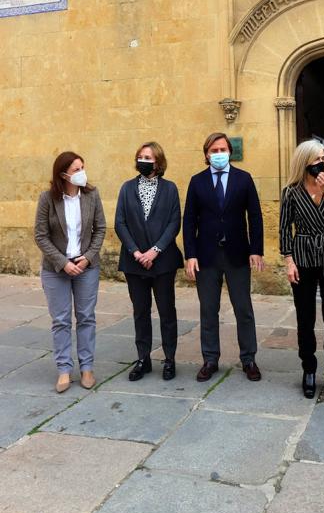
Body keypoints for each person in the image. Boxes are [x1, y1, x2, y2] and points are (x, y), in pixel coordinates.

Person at [183, 132, 264, 382]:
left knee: (243, 308)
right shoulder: (197, 182)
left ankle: (248, 359)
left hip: (237, 254)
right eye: (214, 151)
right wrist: (190, 255)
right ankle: (210, 359)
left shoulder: (244, 179)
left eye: (223, 150)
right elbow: (189, 220)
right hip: (206, 256)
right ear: (206, 155)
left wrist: (256, 249)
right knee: (208, 309)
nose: (219, 154)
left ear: (230, 152)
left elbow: (255, 216)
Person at [280, 140, 324, 399]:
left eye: (323, 158)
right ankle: (308, 368)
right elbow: (284, 228)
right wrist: (289, 261)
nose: (321, 163)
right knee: (305, 317)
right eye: (316, 158)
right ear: (304, 161)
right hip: (302, 257)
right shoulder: (291, 192)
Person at [34, 151, 106, 393]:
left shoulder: (92, 195)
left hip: (86, 266)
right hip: (56, 268)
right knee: (61, 320)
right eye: (76, 169)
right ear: (63, 174)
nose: (81, 173)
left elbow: (100, 229)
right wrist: (63, 262)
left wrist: (88, 258)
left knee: (86, 317)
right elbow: (40, 235)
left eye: (82, 167)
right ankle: (64, 369)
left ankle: (87, 368)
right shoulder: (47, 198)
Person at [115, 141, 183, 382]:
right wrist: (136, 252)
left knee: (167, 312)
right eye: (141, 156)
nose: (143, 160)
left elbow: (174, 222)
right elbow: (120, 223)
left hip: (163, 262)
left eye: (149, 157)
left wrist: (155, 251)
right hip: (134, 262)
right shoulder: (127, 188)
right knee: (140, 312)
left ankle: (169, 358)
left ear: (158, 162)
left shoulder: (170, 189)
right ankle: (143, 358)